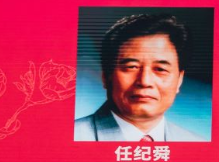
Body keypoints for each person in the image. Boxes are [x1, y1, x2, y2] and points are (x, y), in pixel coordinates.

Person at [75, 12, 205, 141]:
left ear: (179, 80)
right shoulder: (73, 137)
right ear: (106, 76)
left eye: (160, 69)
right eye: (132, 67)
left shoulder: (197, 144)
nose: (144, 81)